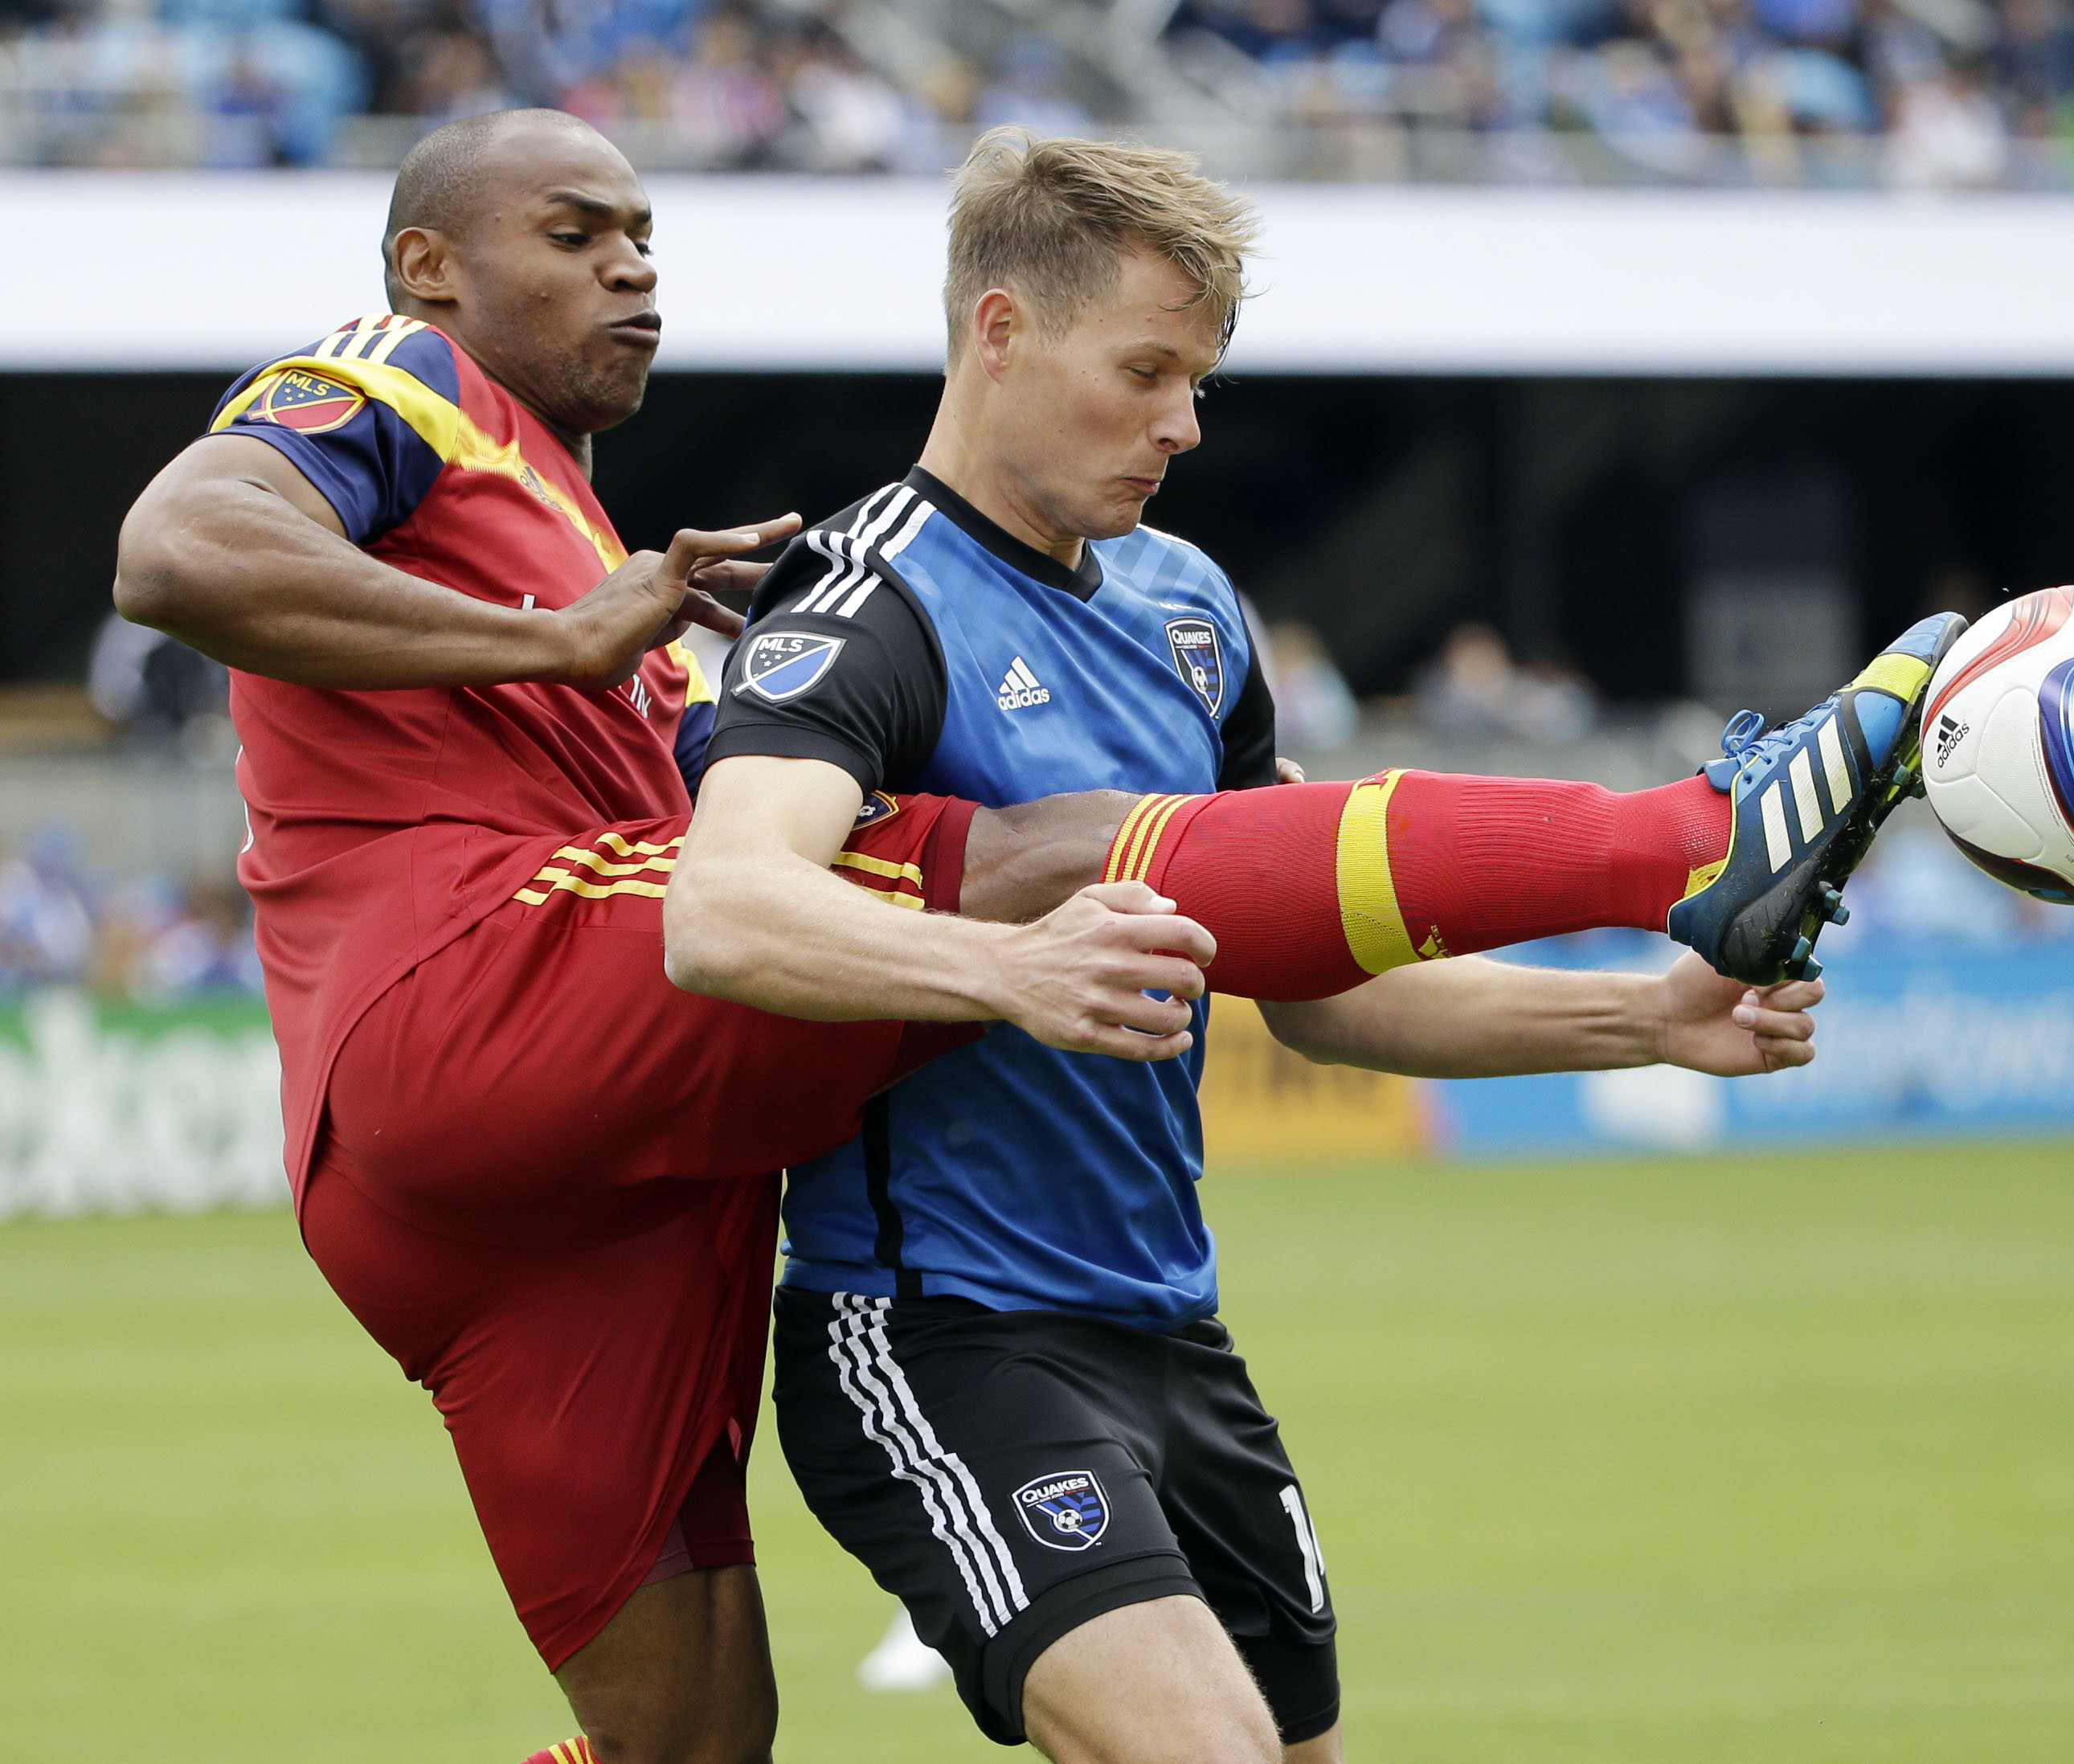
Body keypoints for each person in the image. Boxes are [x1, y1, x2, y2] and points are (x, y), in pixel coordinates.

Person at [108, 105, 1844, 1764]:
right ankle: (1694, 831)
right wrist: (563, 645)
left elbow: (1296, 978)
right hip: (541, 1063)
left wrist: (1643, 1020)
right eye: (577, 237)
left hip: (596, 1219)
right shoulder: (406, 381)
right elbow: (179, 547)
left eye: (648, 234)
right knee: (1032, 863)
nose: (636, 270)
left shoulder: (1152, 609)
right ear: (428, 264)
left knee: (691, 1741)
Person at [662, 130, 1961, 1764]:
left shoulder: (1192, 612)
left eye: (1198, 380)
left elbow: (1320, 990)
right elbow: (719, 910)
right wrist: (1004, 971)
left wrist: (1645, 1017)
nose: (1183, 426)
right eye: (1144, 372)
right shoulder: (865, 605)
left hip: (1174, 1336)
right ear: (1000, 333)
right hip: (937, 1332)